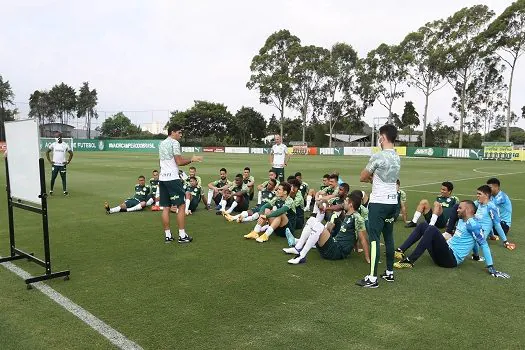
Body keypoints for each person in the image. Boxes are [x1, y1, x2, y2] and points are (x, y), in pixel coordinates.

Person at [394, 200, 510, 279]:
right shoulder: (461, 220)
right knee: (424, 225)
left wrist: (490, 266)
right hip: (444, 253)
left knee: (431, 229)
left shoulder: (473, 225)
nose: (457, 210)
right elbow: (474, 241)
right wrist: (475, 255)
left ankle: (410, 261)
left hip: (450, 260)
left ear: (468, 209)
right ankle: (400, 250)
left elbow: (483, 244)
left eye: (460, 208)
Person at [356, 124, 400, 288]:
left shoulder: (378, 156)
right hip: (392, 202)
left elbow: (362, 176)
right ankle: (389, 272)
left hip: (379, 203)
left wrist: (370, 177)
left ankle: (372, 278)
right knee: (389, 237)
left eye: (379, 136)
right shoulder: (396, 157)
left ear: (382, 137)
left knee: (374, 239)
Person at [284, 191, 366, 265]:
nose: (344, 202)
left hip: (337, 252)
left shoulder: (357, 218)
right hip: (332, 246)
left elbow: (362, 238)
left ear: (350, 204)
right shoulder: (348, 213)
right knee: (312, 220)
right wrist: (325, 207)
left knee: (319, 226)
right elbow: (352, 235)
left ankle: (301, 256)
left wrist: (367, 258)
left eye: (346, 201)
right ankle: (298, 248)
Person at [158, 124, 202, 243]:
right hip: (172, 178)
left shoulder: (162, 143)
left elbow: (160, 162)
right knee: (181, 206)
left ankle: (168, 236)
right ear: (173, 132)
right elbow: (179, 161)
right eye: (179, 132)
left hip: (162, 178)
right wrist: (192, 159)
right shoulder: (174, 143)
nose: (181, 135)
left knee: (166, 208)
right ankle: (182, 236)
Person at [473, 185, 516, 251]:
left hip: (480, 233)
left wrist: (505, 241)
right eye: (477, 194)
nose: (477, 195)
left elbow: (496, 224)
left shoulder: (491, 207)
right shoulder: (480, 203)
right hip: (474, 228)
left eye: (479, 194)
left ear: (486, 195)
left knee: (473, 243)